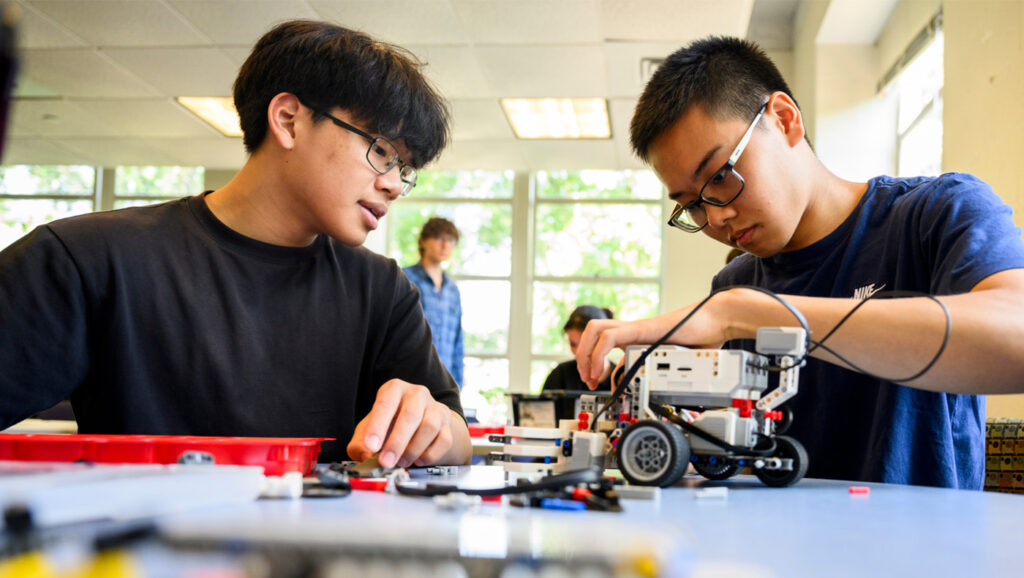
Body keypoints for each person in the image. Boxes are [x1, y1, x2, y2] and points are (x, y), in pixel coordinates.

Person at [0, 20, 471, 470]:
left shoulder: (382, 289)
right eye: (383, 152)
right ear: (288, 120)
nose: (393, 184)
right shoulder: (89, 260)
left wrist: (434, 427)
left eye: (404, 171)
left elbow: (457, 436)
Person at [576, 36, 1024, 489]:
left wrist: (743, 314)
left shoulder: (935, 216)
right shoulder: (735, 282)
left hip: (919, 550)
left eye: (720, 177)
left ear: (784, 119)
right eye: (691, 205)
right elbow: (747, 461)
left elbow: (1016, 341)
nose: (715, 217)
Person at [403, 217, 463, 388]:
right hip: (410, 380)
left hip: (445, 383)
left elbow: (458, 341)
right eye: (439, 238)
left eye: (451, 240)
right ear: (423, 241)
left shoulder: (452, 289)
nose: (445, 245)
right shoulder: (404, 279)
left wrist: (457, 385)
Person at [543, 305, 614, 392]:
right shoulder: (559, 375)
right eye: (573, 344)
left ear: (603, 341)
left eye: (585, 345)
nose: (578, 352)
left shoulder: (623, 378)